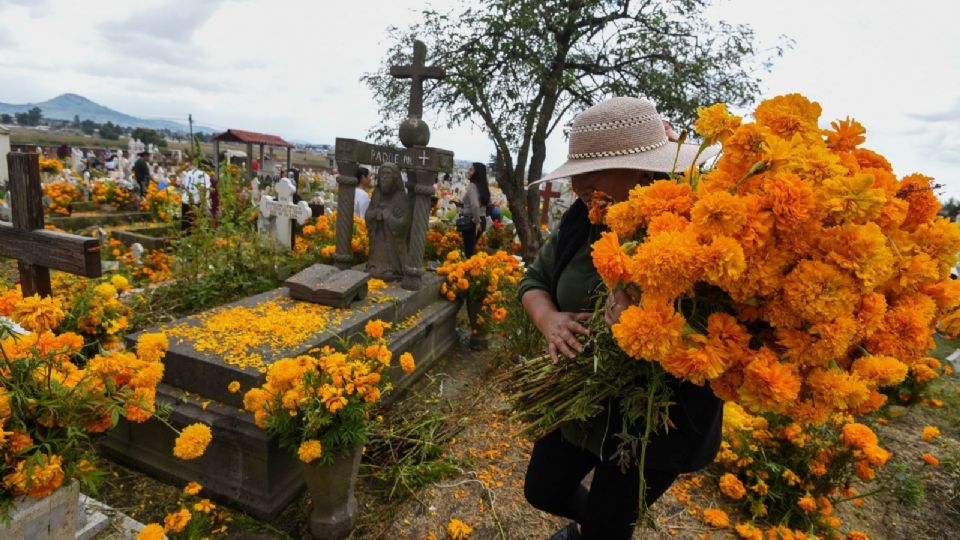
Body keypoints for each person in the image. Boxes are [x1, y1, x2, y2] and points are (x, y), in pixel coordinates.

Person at [518, 97, 722, 540]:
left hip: (655, 420)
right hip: (581, 402)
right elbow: (533, 280)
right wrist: (548, 318)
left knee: (608, 525)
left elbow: (720, 340)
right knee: (543, 489)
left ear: (643, 170)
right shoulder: (582, 220)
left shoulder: (699, 230)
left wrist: (645, 327)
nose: (578, 186)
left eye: (591, 173)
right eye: (577, 174)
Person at [460, 162, 490, 257]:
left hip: (472, 221)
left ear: (477, 173)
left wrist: (477, 222)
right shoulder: (483, 187)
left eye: (471, 169)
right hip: (482, 220)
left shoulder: (472, 186)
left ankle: (469, 270)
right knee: (471, 249)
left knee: (469, 252)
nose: (468, 171)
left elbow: (475, 205)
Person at [179, 157, 211, 231]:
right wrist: (203, 206)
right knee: (195, 228)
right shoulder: (204, 175)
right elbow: (202, 190)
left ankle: (183, 241)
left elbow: (183, 186)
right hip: (195, 205)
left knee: (185, 226)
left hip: (185, 202)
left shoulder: (189, 172)